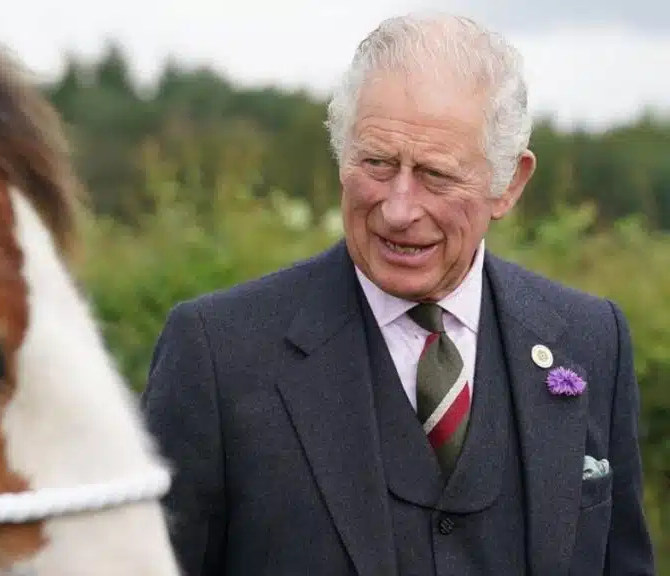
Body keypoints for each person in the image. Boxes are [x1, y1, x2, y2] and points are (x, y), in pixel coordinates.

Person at [141, 12, 655, 576]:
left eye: (436, 174)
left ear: (508, 184)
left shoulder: (592, 339)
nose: (399, 208)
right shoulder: (218, 354)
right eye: (377, 164)